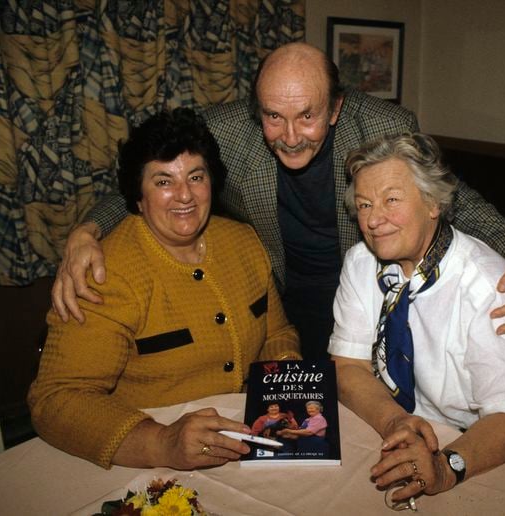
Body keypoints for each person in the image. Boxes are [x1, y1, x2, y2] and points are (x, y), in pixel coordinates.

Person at [51, 43, 505, 359]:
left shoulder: (383, 127)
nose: (288, 137)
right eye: (272, 117)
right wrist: (87, 231)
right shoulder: (226, 132)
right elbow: (148, 176)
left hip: (369, 292)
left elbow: (453, 196)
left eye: (306, 116)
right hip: (285, 302)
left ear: (336, 108)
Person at [28, 108, 301, 470]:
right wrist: (160, 443)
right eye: (163, 181)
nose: (184, 195)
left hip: (243, 442)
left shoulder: (244, 241)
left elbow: (276, 332)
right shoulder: (103, 273)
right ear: (138, 197)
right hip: (143, 462)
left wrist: (284, 377)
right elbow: (55, 399)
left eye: (196, 176)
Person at [329, 133, 505, 502]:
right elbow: (348, 365)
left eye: (391, 200)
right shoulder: (360, 263)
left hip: (473, 447)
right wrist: (394, 421)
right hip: (388, 427)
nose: (374, 219)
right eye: (364, 205)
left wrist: (447, 468)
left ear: (432, 203)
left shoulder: (486, 282)